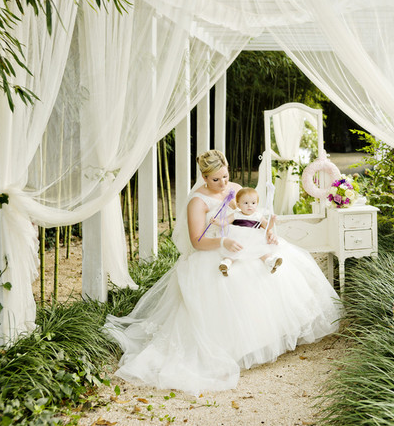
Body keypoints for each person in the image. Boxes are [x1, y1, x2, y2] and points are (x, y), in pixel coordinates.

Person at [104, 149, 342, 394]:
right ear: (204, 177)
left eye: (225, 177)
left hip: (246, 244)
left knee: (276, 263)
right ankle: (234, 346)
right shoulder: (198, 201)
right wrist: (222, 243)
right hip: (214, 250)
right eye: (216, 179)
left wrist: (268, 231)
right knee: (230, 281)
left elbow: (252, 215)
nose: (223, 184)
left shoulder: (234, 189)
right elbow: (197, 241)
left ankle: (264, 339)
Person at [214, 187, 282, 276]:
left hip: (254, 239)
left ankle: (270, 262)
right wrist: (217, 222)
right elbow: (225, 222)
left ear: (257, 204)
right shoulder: (236, 215)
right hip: (238, 238)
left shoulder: (258, 216)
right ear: (238, 205)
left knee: (262, 250)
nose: (250, 206)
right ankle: (226, 263)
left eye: (253, 203)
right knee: (233, 252)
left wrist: (272, 220)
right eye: (246, 203)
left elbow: (267, 226)